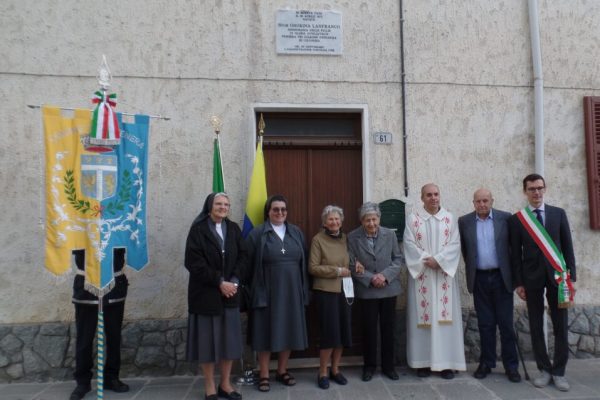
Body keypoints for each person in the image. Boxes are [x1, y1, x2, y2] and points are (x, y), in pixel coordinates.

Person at [509, 174, 576, 392]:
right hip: (531, 279)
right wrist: (518, 283)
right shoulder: (518, 219)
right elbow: (515, 255)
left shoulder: (558, 214)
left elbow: (567, 246)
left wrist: (571, 277)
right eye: (531, 189)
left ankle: (559, 372)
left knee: (560, 325)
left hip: (558, 278)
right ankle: (544, 369)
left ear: (545, 189)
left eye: (539, 188)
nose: (536, 192)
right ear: (525, 192)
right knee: (536, 325)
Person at [184, 192, 246, 400]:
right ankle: (209, 385)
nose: (223, 207)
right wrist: (219, 282)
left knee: (229, 342)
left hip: (231, 294)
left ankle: (225, 384)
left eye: (226, 204)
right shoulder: (198, 230)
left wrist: (234, 281)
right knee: (207, 343)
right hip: (206, 295)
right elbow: (193, 262)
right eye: (219, 204)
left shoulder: (234, 229)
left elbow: (243, 257)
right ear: (209, 206)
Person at [245, 195, 309, 392]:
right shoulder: (257, 234)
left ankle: (282, 370)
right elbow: (247, 265)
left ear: (287, 212)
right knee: (264, 332)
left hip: (291, 291)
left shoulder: (296, 232)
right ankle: (263, 373)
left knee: (288, 330)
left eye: (283, 209)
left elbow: (304, 263)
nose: (280, 212)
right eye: (275, 209)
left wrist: (304, 291)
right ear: (268, 212)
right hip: (266, 290)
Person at [403, 183, 466, 379]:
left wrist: (439, 260)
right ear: (422, 198)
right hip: (422, 276)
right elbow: (409, 244)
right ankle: (422, 362)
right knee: (423, 322)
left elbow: (455, 244)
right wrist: (426, 260)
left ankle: (446, 364)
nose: (433, 198)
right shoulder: (413, 219)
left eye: (436, 194)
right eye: (429, 195)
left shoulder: (449, 218)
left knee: (445, 321)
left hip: (443, 276)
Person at [458, 188, 521, 382]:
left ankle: (511, 366)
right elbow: (465, 250)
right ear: (473, 202)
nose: (482, 204)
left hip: (502, 279)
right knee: (485, 324)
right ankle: (486, 362)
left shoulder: (506, 218)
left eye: (486, 201)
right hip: (480, 279)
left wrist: (517, 280)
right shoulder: (464, 222)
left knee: (506, 325)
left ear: (492, 201)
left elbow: (514, 249)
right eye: (478, 201)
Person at [347, 201, 403, 382]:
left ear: (379, 219)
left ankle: (389, 367)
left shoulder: (390, 235)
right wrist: (371, 278)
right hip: (367, 290)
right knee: (368, 329)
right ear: (361, 221)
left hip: (388, 288)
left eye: (374, 219)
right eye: (367, 220)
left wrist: (384, 276)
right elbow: (351, 263)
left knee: (389, 329)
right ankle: (369, 366)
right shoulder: (353, 237)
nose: (371, 223)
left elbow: (397, 259)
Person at [69, 248, 130, 400]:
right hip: (86, 284)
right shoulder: (80, 223)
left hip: (114, 284)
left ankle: (111, 377)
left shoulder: (117, 223)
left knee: (113, 336)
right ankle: (83, 382)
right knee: (84, 338)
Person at [308, 205, 355, 389]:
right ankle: (322, 372)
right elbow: (313, 267)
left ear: (341, 221)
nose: (334, 222)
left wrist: (356, 265)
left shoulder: (345, 238)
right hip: (326, 293)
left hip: (345, 291)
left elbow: (350, 259)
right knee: (329, 333)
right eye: (330, 219)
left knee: (343, 331)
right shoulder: (318, 240)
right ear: (324, 222)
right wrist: (336, 271)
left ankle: (336, 369)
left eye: (337, 219)